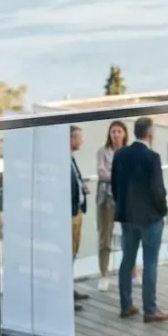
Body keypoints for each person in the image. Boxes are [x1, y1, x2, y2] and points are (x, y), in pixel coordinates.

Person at [110, 117, 168, 323]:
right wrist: (163, 210)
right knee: (150, 262)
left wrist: (122, 207)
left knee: (127, 260)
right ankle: (150, 309)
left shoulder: (120, 154)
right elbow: (157, 190)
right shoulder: (152, 157)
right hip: (149, 218)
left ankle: (126, 305)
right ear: (150, 133)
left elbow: (115, 185)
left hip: (127, 217)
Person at [95, 120, 134, 292]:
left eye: (119, 131)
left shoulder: (129, 152)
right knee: (105, 237)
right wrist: (120, 176)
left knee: (130, 235)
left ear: (124, 134)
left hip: (126, 198)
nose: (116, 134)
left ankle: (133, 271)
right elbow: (101, 173)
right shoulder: (102, 152)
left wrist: (116, 175)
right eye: (113, 131)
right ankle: (104, 275)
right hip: (106, 198)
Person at [69, 125, 90, 308]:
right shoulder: (63, 161)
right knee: (68, 254)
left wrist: (82, 188)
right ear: (71, 139)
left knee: (74, 252)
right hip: (69, 215)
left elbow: (75, 181)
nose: (81, 141)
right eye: (79, 137)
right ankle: (66, 294)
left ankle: (70, 289)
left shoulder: (71, 159)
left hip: (77, 212)